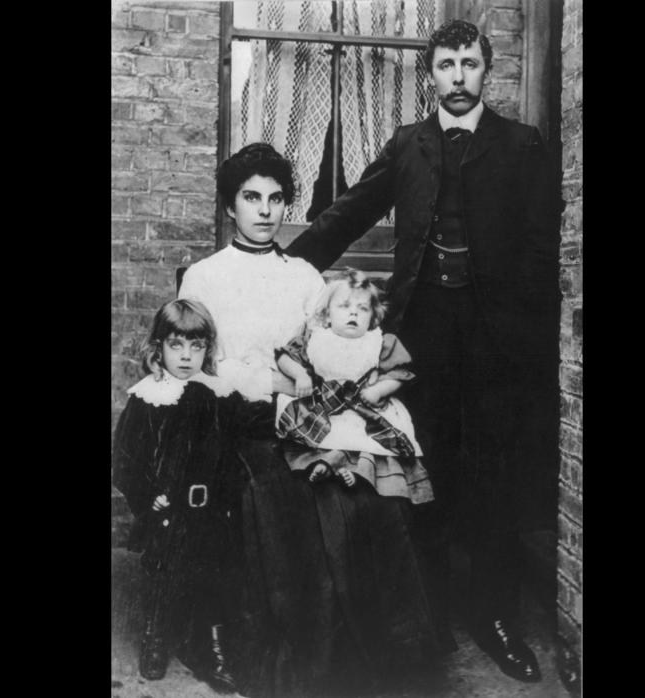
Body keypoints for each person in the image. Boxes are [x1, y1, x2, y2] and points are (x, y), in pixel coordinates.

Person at [284, 19, 561, 684]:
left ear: (486, 70)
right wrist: (286, 268)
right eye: (446, 65)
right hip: (422, 332)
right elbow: (349, 210)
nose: (458, 77)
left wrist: (522, 329)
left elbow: (540, 246)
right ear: (431, 74)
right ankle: (430, 612)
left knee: (491, 473)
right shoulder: (408, 144)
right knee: (423, 464)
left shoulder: (522, 146)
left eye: (469, 64)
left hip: (494, 337)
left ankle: (491, 615)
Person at [179, 143, 441, 696]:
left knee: (367, 496)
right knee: (284, 500)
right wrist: (269, 382)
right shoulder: (204, 277)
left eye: (276, 199)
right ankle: (297, 656)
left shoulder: (303, 277)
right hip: (239, 418)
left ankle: (374, 655)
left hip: (309, 416)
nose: (265, 210)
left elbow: (325, 351)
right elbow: (201, 370)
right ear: (231, 207)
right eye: (252, 198)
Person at [111, 299, 275, 692]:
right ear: (159, 348)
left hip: (214, 510)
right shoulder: (150, 397)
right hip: (169, 509)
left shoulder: (220, 394)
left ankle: (214, 649)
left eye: (196, 347)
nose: (186, 357)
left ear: (208, 348)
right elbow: (124, 459)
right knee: (166, 573)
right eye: (176, 346)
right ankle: (156, 638)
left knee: (218, 579)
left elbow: (245, 436)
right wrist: (149, 496)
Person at [275, 268, 433, 507]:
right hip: (324, 406)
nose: (353, 313)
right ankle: (324, 464)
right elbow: (285, 357)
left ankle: (357, 474)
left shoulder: (378, 342)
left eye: (362, 309)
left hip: (363, 406)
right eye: (344, 306)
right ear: (327, 315)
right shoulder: (315, 337)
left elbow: (400, 373)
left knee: (368, 442)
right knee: (319, 436)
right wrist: (300, 376)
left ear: (372, 317)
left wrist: (379, 389)